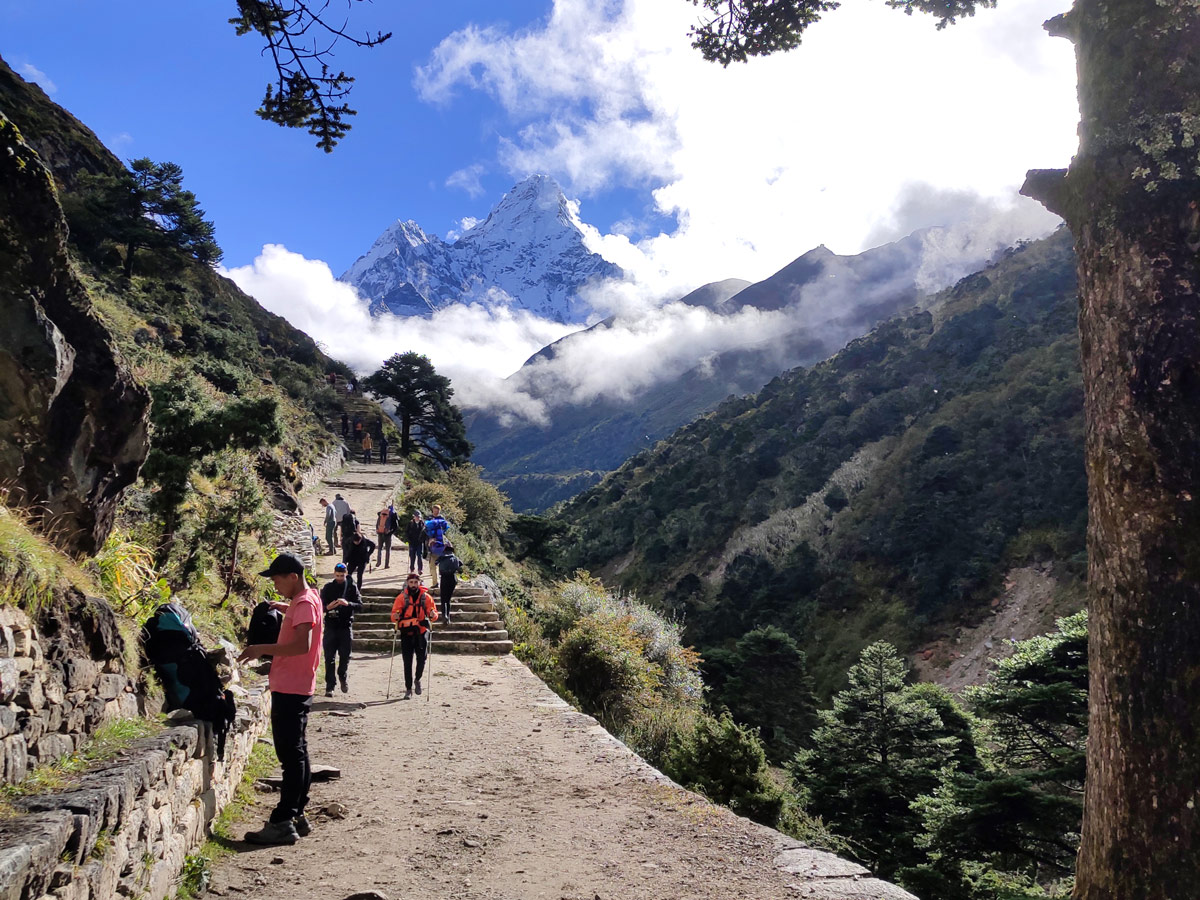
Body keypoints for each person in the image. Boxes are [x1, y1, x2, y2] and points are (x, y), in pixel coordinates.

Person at [239, 553, 323, 845]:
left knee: (291, 757)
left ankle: (282, 820)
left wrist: (260, 648)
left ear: (293, 577)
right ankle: (297, 815)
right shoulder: (309, 599)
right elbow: (306, 621)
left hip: (291, 687)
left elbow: (301, 645)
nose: (275, 585)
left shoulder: (304, 603)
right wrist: (286, 609)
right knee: (298, 753)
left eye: (277, 580)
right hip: (299, 685)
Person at [390, 573, 438, 699]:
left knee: (422, 659)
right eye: (411, 582)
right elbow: (394, 615)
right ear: (407, 583)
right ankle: (408, 689)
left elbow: (433, 613)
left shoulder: (426, 598)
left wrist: (433, 615)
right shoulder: (401, 598)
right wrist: (395, 616)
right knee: (407, 661)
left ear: (419, 583)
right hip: (406, 633)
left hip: (421, 632)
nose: (413, 585)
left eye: (415, 582)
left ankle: (417, 679)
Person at [320, 562, 362, 696]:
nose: (339, 578)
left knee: (345, 656)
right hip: (331, 626)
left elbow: (360, 606)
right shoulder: (328, 588)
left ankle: (342, 675)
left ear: (346, 574)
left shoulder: (351, 587)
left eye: (342, 576)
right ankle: (330, 686)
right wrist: (327, 608)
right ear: (334, 574)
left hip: (345, 626)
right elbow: (319, 607)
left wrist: (347, 603)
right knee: (329, 658)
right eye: (337, 575)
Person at [436, 541, 463, 623]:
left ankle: (444, 616)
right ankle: (448, 617)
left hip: (444, 578)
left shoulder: (441, 557)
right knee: (448, 599)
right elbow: (460, 568)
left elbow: (435, 563)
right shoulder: (455, 558)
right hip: (452, 578)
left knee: (443, 598)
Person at [425, 505, 450, 588]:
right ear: (432, 510)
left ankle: (436, 583)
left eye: (437, 510)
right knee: (433, 564)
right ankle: (436, 582)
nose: (436, 511)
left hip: (437, 544)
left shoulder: (440, 518)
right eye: (435, 510)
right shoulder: (430, 518)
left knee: (434, 564)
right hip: (435, 544)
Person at [375, 504, 397, 569]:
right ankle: (386, 565)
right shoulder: (393, 515)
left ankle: (378, 562)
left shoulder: (381, 513)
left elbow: (377, 523)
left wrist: (378, 530)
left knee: (379, 548)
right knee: (388, 550)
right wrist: (391, 532)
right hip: (387, 534)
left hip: (380, 533)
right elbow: (396, 526)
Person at [405, 512, 426, 577]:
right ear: (414, 517)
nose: (417, 518)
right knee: (412, 556)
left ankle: (420, 569)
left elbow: (425, 533)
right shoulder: (410, 523)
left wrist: (422, 540)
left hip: (419, 543)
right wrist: (409, 540)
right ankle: (412, 569)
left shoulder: (423, 524)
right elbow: (407, 532)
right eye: (416, 516)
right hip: (412, 543)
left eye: (418, 517)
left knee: (419, 556)